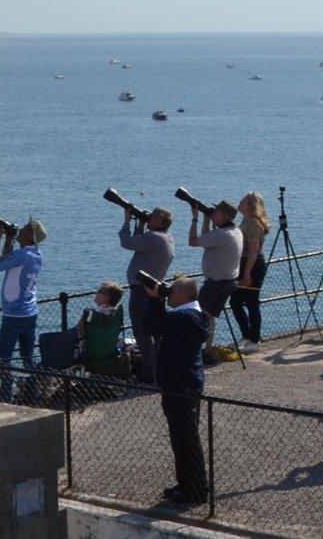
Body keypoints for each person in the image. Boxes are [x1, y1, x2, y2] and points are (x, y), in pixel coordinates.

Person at [143, 277, 209, 504]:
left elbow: (150, 326)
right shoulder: (196, 314)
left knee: (185, 440)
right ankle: (186, 484)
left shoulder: (182, 317)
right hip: (186, 382)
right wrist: (159, 300)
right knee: (182, 438)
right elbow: (160, 325)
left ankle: (196, 490)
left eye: (172, 290)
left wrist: (154, 300)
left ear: (181, 294)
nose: (168, 292)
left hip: (179, 385)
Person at [0, 217, 46, 403]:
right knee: (28, 357)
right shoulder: (36, 254)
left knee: (3, 359)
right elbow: (7, 262)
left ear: (31, 236)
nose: (21, 229)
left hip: (13, 315)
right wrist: (10, 240)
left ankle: (5, 396)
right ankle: (32, 394)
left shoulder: (21, 255)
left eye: (26, 228)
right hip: (30, 312)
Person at [119, 207, 175, 384]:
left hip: (142, 291)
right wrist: (141, 225)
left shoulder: (153, 238)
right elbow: (138, 243)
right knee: (156, 332)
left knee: (142, 331)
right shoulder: (166, 238)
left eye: (152, 217)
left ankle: (150, 370)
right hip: (154, 291)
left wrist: (128, 220)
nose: (149, 217)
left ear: (158, 221)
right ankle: (159, 366)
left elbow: (127, 242)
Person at [188, 200, 243, 361]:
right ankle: (207, 350)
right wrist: (207, 219)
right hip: (229, 282)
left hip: (215, 284)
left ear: (225, 216)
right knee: (209, 317)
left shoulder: (220, 235)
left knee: (197, 316)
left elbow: (193, 241)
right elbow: (207, 241)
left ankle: (194, 351)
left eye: (216, 212)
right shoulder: (235, 231)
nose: (213, 214)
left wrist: (195, 218)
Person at [228, 192, 271, 353]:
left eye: (243, 200)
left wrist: (247, 274)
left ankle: (254, 339)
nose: (239, 202)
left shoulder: (252, 223)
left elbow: (253, 250)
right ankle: (247, 336)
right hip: (245, 263)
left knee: (250, 302)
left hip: (251, 264)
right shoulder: (246, 220)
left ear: (250, 205)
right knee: (238, 302)